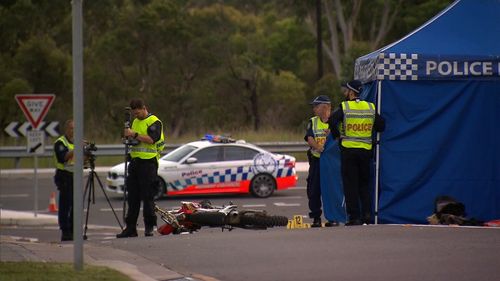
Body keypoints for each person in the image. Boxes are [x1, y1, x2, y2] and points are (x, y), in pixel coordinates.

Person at [329, 80, 385, 226]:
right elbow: (381, 125)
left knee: (350, 185)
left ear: (352, 92)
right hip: (365, 152)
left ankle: (354, 217)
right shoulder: (370, 107)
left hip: (349, 151)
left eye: (347, 91)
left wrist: (337, 136)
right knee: (364, 185)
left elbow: (332, 120)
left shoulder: (345, 106)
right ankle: (367, 215)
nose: (346, 93)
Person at [117, 99, 165, 238]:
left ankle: (149, 227)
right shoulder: (135, 121)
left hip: (148, 163)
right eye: (134, 113)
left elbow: (151, 139)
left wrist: (134, 134)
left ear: (144, 108)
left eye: (138, 112)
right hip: (135, 162)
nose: (136, 115)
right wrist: (127, 137)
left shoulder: (154, 121)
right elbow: (134, 138)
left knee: (148, 196)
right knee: (132, 197)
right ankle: (130, 228)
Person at [304, 95, 338, 227]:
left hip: (331, 163)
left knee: (331, 190)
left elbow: (339, 138)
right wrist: (319, 148)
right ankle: (316, 218)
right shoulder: (313, 121)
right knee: (313, 190)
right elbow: (309, 138)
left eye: (316, 106)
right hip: (317, 162)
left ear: (324, 107)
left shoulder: (335, 120)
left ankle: (333, 217)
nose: (314, 109)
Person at [53, 119, 75, 241]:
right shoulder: (60, 143)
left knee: (76, 205)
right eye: (72, 128)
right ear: (67, 129)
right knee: (65, 205)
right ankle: (65, 230)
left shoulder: (78, 142)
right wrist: (76, 150)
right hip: (64, 176)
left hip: (75, 176)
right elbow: (63, 158)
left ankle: (74, 229)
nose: (74, 131)